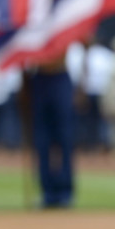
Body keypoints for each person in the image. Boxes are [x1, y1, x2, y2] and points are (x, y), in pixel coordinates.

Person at [25, 50, 76, 209]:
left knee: (65, 138)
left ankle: (65, 191)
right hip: (39, 77)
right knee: (41, 140)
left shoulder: (63, 25)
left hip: (60, 76)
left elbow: (86, 40)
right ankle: (47, 192)